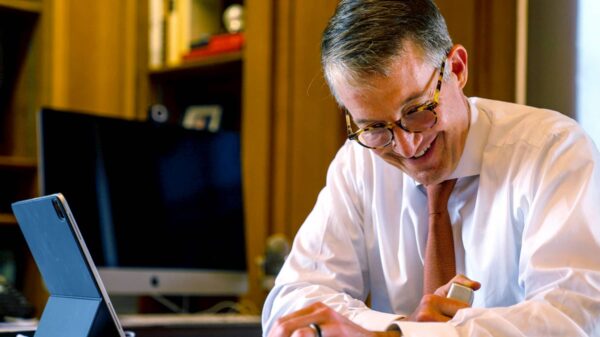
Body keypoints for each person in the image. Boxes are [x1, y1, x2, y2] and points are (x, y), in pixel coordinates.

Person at [262, 0, 600, 336]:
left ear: (456, 68)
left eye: (417, 110)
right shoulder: (358, 161)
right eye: (376, 127)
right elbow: (292, 300)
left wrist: (396, 336)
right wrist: (399, 329)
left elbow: (572, 317)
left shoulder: (553, 149)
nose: (407, 147)